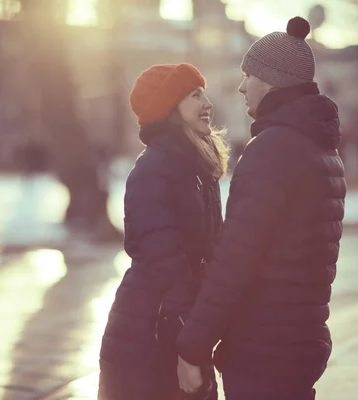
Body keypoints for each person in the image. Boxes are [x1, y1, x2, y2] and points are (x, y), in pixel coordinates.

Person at [175, 17, 346, 400]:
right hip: (300, 342)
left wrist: (193, 345)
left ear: (270, 81)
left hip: (263, 350)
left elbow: (235, 261)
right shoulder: (321, 149)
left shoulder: (272, 150)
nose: (240, 87)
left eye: (247, 75)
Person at [98, 63, 230, 400]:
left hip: (179, 327)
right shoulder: (156, 169)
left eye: (204, 92)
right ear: (170, 106)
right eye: (194, 94)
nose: (207, 103)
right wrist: (188, 347)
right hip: (150, 334)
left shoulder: (196, 165)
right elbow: (166, 264)